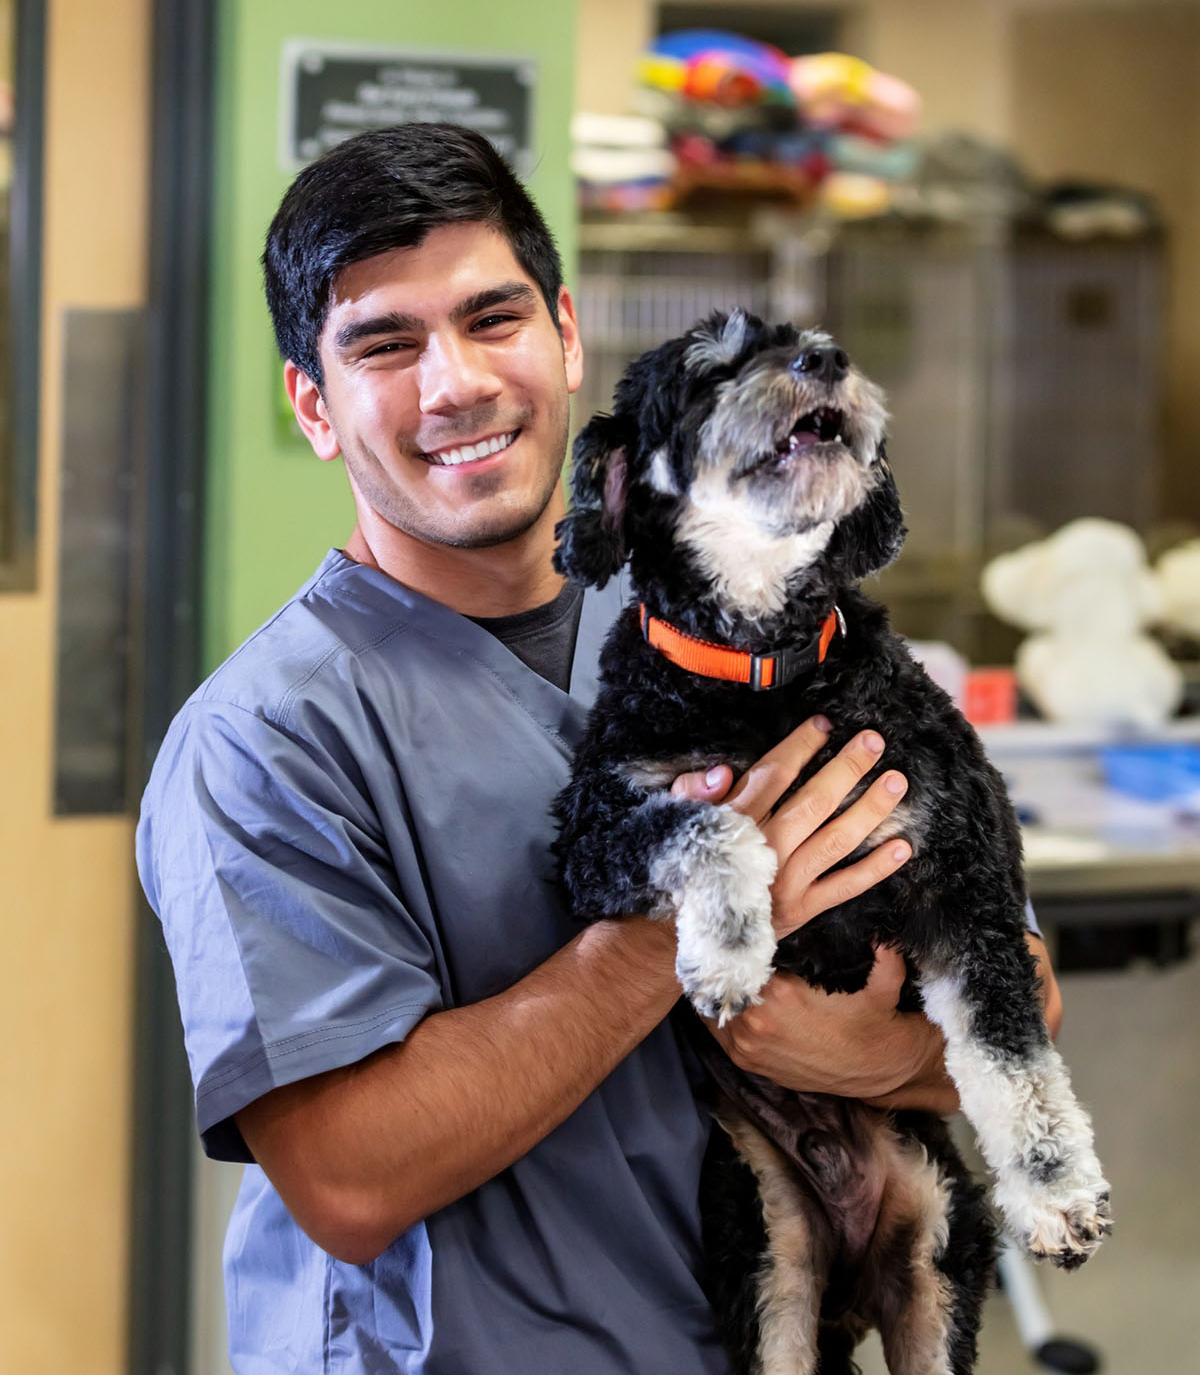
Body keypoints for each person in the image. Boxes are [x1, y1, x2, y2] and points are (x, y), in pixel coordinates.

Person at [137, 123, 1060, 1374]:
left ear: (566, 335)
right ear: (315, 405)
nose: (454, 382)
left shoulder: (737, 632)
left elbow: (1015, 985)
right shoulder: (267, 743)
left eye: (492, 318)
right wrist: (694, 914)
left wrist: (875, 1054)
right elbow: (348, 1178)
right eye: (384, 345)